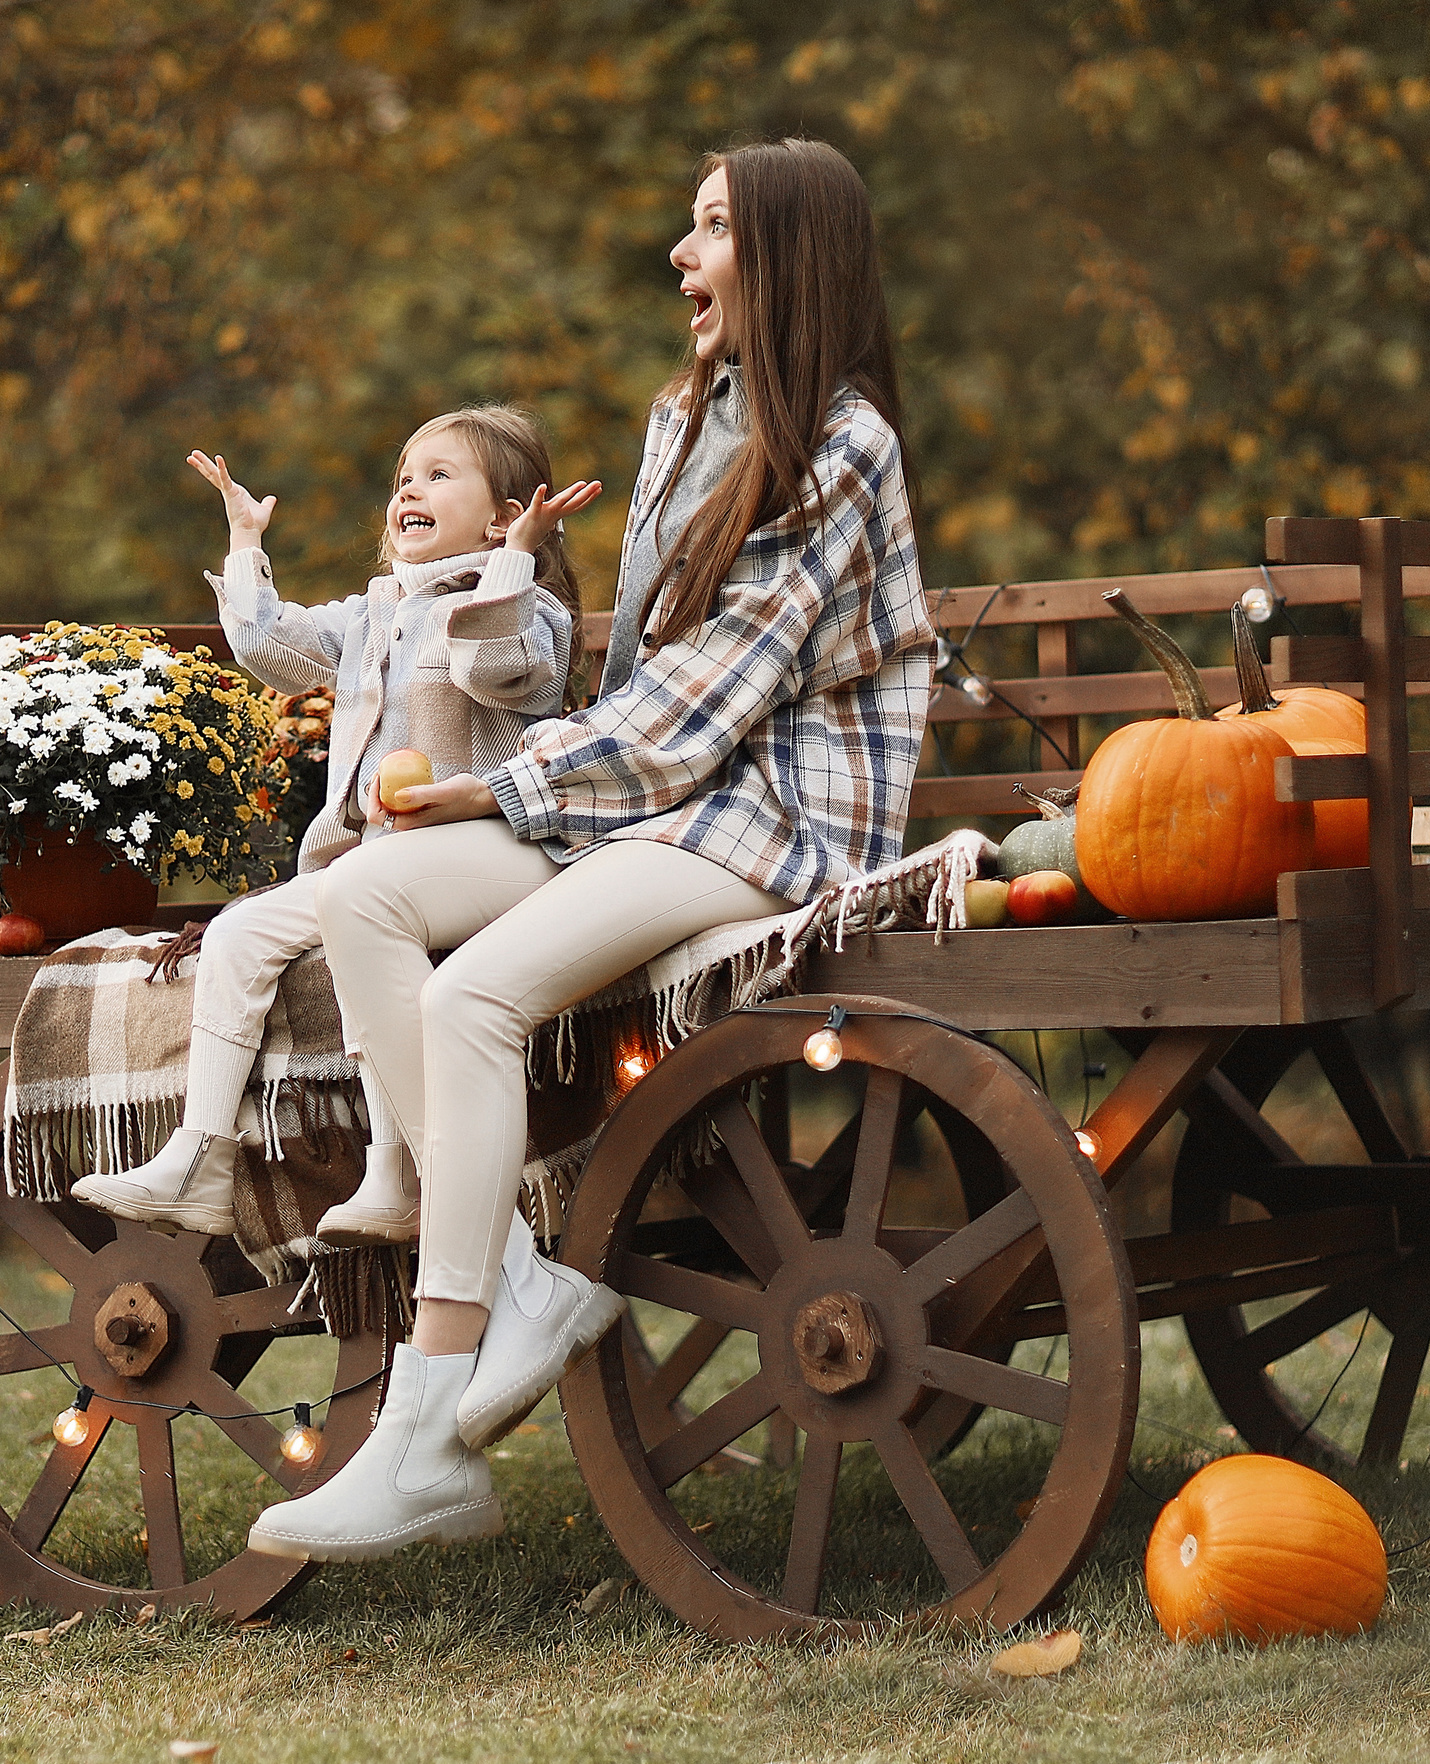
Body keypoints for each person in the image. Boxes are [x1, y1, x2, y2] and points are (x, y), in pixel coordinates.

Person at [248, 138, 934, 1563]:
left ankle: (425, 1433)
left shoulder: (844, 447)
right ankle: (513, 1277)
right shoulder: (684, 417)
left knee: (470, 998)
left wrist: (511, 789)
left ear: (789, 256)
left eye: (712, 229)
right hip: (660, 800)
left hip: (775, 815)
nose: (680, 256)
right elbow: (639, 678)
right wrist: (526, 790)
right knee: (366, 895)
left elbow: (711, 698)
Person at [70, 409, 601, 1250]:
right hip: (370, 861)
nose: (409, 491)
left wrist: (514, 560)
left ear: (503, 516)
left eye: (439, 476)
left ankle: (395, 1172)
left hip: (481, 855)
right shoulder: (375, 613)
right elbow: (268, 650)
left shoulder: (529, 612)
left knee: (364, 930)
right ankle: (200, 1156)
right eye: (404, 479)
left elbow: (490, 667)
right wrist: (246, 542)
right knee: (238, 932)